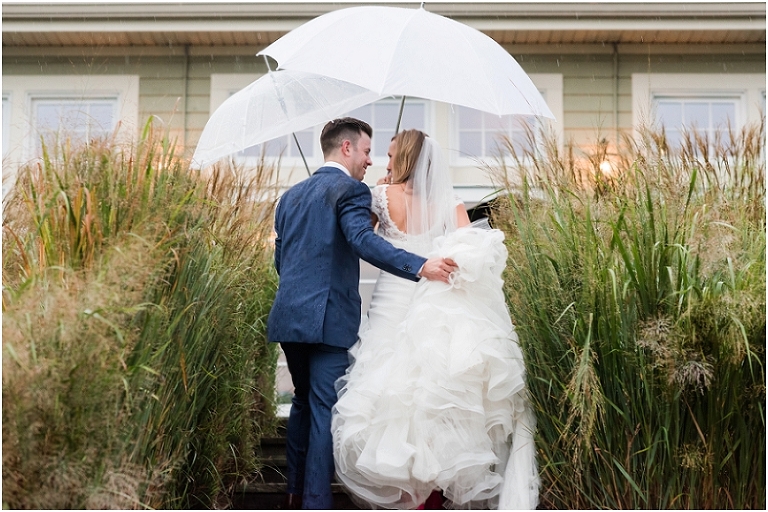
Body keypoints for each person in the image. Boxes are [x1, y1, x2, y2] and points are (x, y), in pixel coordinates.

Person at [332, 130, 540, 510]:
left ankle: (403, 492)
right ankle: (433, 492)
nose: (387, 163)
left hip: (392, 303)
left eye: (393, 156)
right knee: (432, 397)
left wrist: (381, 201)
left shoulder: (378, 196)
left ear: (407, 158)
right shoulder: (449, 202)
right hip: (434, 302)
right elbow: (469, 252)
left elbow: (367, 243)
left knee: (388, 396)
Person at [267, 118, 458, 510]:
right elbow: (363, 242)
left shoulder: (290, 196)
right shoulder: (351, 191)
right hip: (328, 319)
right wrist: (420, 266)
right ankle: (316, 503)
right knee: (323, 408)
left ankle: (294, 492)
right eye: (368, 152)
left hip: (289, 316)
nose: (372, 161)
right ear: (348, 148)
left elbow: (281, 259)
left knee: (302, 402)